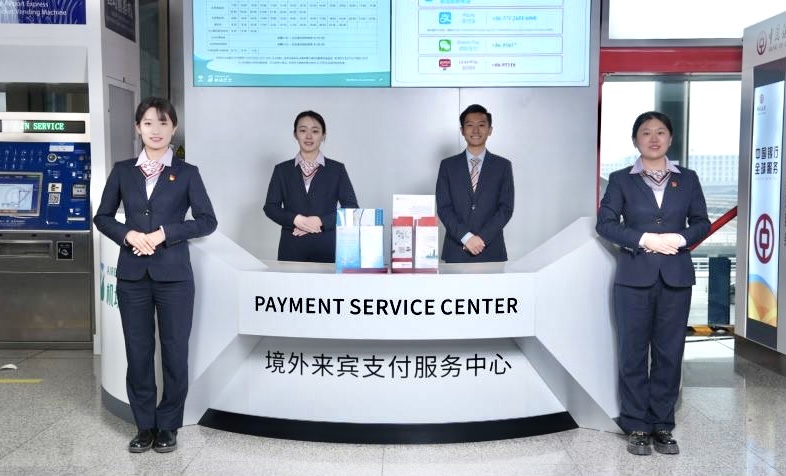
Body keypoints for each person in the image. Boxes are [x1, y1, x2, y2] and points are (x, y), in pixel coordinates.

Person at [93, 97, 217, 453]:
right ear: (138, 128)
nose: (156, 130)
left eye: (163, 123)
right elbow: (102, 217)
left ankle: (168, 425)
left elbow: (208, 220)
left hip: (174, 277)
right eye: (148, 123)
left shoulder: (187, 172)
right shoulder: (122, 171)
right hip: (133, 276)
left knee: (175, 353)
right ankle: (144, 425)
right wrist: (128, 235)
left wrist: (165, 233)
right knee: (139, 351)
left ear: (173, 128)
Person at [596, 111, 710, 456]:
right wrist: (644, 237)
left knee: (669, 352)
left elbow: (702, 221)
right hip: (633, 277)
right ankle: (635, 424)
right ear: (635, 141)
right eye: (646, 133)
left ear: (670, 139)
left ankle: (662, 424)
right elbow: (606, 224)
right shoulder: (619, 180)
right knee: (632, 353)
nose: (654, 138)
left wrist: (679, 238)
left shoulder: (687, 179)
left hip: (675, 276)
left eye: (661, 132)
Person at [264, 110, 358, 262]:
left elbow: (352, 208)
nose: (308, 136)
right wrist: (296, 219)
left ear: (323, 135)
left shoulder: (337, 170)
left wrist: (320, 221)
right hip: (291, 249)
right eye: (303, 130)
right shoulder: (282, 170)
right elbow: (270, 207)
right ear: (295, 134)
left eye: (315, 131)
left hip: (327, 248)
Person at [435, 104, 514, 262]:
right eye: (470, 125)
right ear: (462, 130)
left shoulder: (503, 166)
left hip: (491, 250)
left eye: (481, 125)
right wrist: (466, 237)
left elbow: (505, 208)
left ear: (490, 130)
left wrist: (481, 239)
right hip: (456, 250)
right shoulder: (448, 166)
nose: (476, 130)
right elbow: (444, 208)